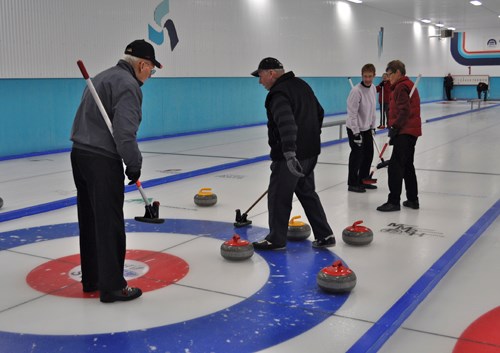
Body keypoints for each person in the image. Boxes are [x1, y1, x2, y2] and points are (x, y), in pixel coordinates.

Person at [70, 39, 162, 302]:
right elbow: (124, 132)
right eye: (152, 70)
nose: (150, 75)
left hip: (79, 155)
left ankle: (93, 279)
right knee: (109, 223)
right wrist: (134, 163)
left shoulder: (102, 77)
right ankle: (112, 286)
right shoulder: (129, 85)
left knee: (90, 220)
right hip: (101, 160)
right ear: (143, 65)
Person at [250, 57, 335, 250]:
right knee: (307, 193)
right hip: (310, 153)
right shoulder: (302, 85)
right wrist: (311, 137)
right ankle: (325, 234)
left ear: (271, 73)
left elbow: (286, 122)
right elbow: (319, 112)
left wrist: (289, 153)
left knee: (279, 195)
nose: (259, 81)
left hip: (290, 157)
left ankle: (276, 239)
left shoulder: (278, 93)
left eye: (261, 75)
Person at [377, 60, 421, 212]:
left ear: (397, 72)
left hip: (405, 132)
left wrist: (395, 127)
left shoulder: (402, 87)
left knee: (395, 167)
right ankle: (413, 199)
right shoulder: (405, 86)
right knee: (407, 166)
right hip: (410, 131)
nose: (388, 78)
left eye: (390, 74)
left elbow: (404, 111)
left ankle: (394, 201)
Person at [346, 63, 378, 193]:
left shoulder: (373, 88)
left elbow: (372, 109)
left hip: (366, 128)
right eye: (365, 76)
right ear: (362, 75)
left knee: (368, 154)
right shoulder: (356, 91)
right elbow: (352, 113)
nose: (367, 79)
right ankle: (352, 183)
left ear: (374, 76)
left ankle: (363, 180)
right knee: (357, 156)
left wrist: (373, 126)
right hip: (355, 129)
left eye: (370, 76)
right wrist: (355, 132)